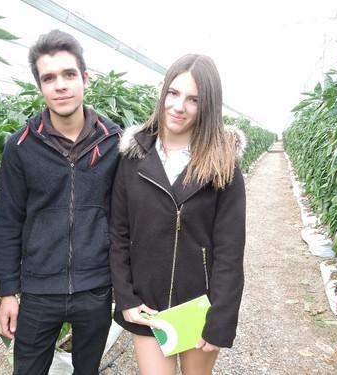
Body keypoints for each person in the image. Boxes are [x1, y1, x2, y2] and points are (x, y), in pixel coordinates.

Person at [0, 29, 122, 375]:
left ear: (85, 78)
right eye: (49, 78)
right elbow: (7, 221)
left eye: (68, 74)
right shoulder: (20, 146)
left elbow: (124, 216)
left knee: (87, 370)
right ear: (40, 87)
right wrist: (7, 292)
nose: (60, 85)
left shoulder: (114, 142)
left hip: (95, 287)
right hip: (38, 291)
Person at [109, 54, 246, 375]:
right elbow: (118, 233)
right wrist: (126, 297)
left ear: (208, 105)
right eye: (173, 93)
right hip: (149, 304)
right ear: (162, 92)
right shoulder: (132, 158)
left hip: (197, 307)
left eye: (193, 99)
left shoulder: (222, 165)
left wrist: (221, 317)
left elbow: (229, 250)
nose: (179, 106)